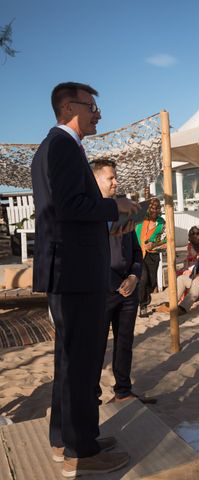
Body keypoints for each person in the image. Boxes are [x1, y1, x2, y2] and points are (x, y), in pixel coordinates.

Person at [31, 82, 136, 476]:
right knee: (82, 363)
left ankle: (65, 439)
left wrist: (107, 221)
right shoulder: (61, 146)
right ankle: (83, 454)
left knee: (69, 360)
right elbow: (71, 205)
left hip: (68, 269)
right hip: (76, 272)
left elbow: (66, 211)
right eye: (93, 107)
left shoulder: (53, 147)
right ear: (70, 107)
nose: (98, 114)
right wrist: (116, 206)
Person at [92, 160, 144, 404]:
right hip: (101, 291)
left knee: (125, 343)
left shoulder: (125, 214)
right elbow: (87, 256)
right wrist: (116, 284)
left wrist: (134, 277)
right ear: (96, 180)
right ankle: (92, 397)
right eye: (110, 178)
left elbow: (136, 252)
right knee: (96, 348)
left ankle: (123, 390)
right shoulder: (90, 215)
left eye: (115, 178)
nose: (115, 182)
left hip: (129, 289)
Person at [135, 198, 166, 317]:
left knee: (152, 282)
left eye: (156, 209)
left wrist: (154, 244)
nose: (154, 211)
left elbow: (166, 239)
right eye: (152, 208)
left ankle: (144, 298)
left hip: (153, 254)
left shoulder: (161, 223)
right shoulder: (140, 221)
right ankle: (142, 306)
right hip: (138, 253)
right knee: (143, 279)